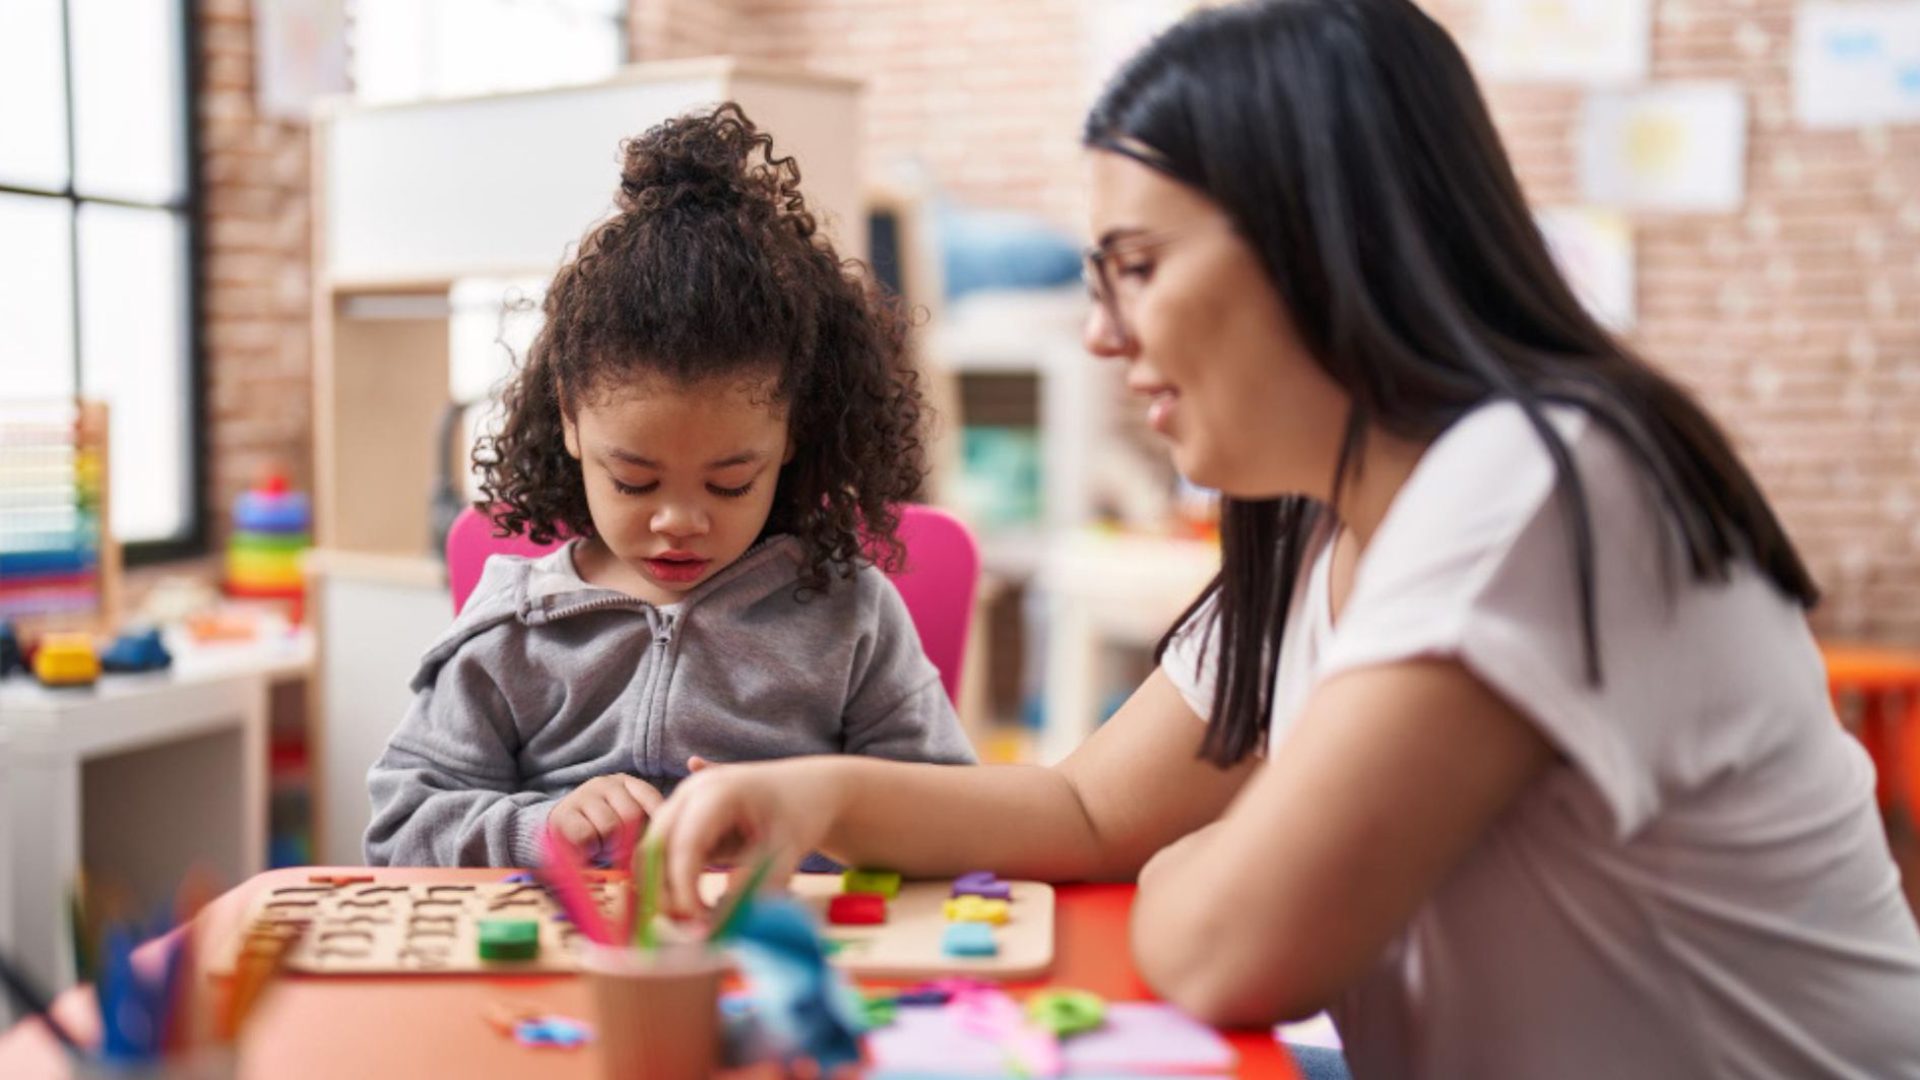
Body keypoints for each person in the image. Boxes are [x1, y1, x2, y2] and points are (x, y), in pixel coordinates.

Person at [643, 3, 1920, 1076]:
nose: (1100, 332)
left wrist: (1203, 855)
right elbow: (1088, 808)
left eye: (1136, 266)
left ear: (1321, 242)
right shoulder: (1324, 526)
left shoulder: (1536, 479)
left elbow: (1230, 949)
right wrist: (809, 793)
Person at [365, 104, 975, 869]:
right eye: (634, 480)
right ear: (571, 423)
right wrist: (541, 829)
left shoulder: (847, 614)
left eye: (730, 483)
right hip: (572, 970)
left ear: (789, 440)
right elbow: (401, 827)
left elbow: (951, 811)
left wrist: (813, 819)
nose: (680, 520)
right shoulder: (516, 631)